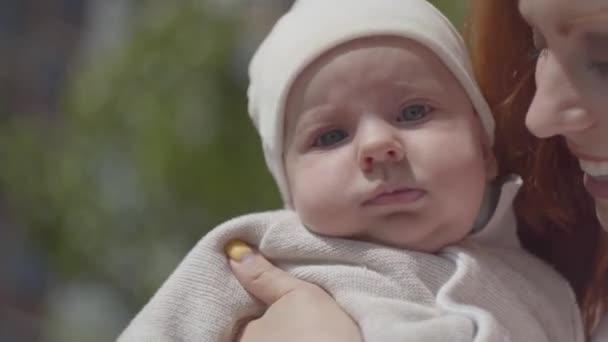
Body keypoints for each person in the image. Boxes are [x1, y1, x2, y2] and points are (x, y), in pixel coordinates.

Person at [117, 1, 584, 341]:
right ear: (291, 192)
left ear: (486, 150)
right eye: (330, 137)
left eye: (415, 111)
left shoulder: (547, 291)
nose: (379, 146)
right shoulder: (266, 255)